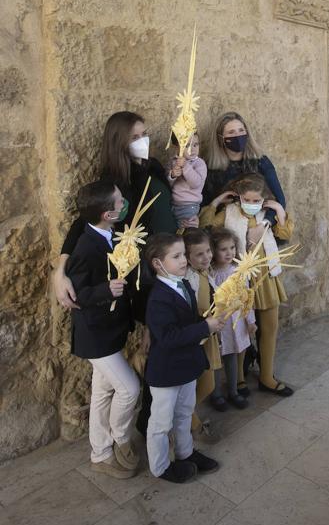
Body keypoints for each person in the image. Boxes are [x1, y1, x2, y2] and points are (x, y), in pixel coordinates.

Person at [52, 111, 178, 311]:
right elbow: (84, 221)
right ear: (119, 142)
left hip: (174, 251)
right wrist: (60, 270)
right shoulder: (114, 182)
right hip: (149, 263)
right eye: (134, 138)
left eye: (144, 134)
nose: (143, 141)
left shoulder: (152, 165)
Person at [66, 181, 139, 479]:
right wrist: (105, 290)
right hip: (95, 334)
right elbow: (76, 296)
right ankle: (120, 437)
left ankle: (100, 451)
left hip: (110, 330)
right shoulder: (85, 246)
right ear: (108, 214)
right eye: (120, 202)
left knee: (103, 391)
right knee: (129, 388)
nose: (125, 204)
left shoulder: (112, 234)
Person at [200, 172, 294, 397]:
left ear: (264, 199)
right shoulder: (228, 213)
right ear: (239, 197)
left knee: (269, 328)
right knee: (239, 328)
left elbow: (285, 233)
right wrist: (216, 202)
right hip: (238, 280)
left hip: (266, 277)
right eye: (247, 200)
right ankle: (239, 379)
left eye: (256, 201)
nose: (252, 205)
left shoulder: (266, 214)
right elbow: (205, 225)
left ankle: (267, 376)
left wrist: (279, 210)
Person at [144, 233, 225, 484]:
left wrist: (207, 323)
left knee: (184, 412)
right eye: (176, 256)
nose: (183, 260)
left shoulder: (184, 285)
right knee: (160, 422)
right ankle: (160, 467)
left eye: (183, 255)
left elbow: (187, 323)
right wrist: (204, 328)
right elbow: (168, 337)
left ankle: (186, 453)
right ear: (158, 264)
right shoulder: (158, 297)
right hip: (167, 371)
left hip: (187, 364)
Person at [202, 111, 286, 228]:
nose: (237, 136)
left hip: (260, 225)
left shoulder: (261, 162)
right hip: (225, 233)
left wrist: (265, 224)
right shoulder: (210, 168)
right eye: (231, 132)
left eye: (241, 130)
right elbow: (204, 204)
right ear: (221, 138)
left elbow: (279, 199)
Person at [208, 226, 256, 410]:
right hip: (219, 322)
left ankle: (233, 390)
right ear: (214, 251)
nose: (229, 253)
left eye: (232, 248)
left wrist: (250, 320)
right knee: (217, 358)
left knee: (233, 355)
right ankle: (216, 393)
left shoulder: (239, 272)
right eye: (223, 249)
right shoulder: (211, 273)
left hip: (236, 322)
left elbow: (246, 298)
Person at [183, 228, 221, 443]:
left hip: (210, 333)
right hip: (200, 336)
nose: (206, 256)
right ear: (188, 258)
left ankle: (188, 416)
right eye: (199, 254)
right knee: (206, 383)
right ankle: (191, 420)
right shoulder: (190, 279)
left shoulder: (207, 272)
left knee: (209, 384)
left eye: (208, 251)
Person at [167, 132, 207, 227]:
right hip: (173, 204)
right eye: (187, 145)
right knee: (176, 230)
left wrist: (185, 166)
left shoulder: (199, 163)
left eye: (195, 145)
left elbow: (196, 183)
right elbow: (168, 185)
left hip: (189, 206)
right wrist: (172, 175)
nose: (192, 149)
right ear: (177, 147)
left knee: (188, 230)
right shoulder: (173, 161)